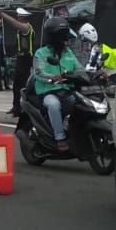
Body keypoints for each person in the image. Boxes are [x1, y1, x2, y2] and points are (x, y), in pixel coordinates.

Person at [32, 16, 80, 151]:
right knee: (54, 105)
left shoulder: (68, 53)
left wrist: (92, 74)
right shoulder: (41, 53)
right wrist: (52, 78)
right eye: (60, 35)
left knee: (81, 104)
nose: (63, 39)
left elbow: (79, 68)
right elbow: (38, 72)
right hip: (48, 92)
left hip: (67, 90)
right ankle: (60, 137)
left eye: (64, 35)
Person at [0, 6, 35, 116]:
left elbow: (13, 23)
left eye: (19, 17)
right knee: (16, 85)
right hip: (21, 58)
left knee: (23, 85)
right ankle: (16, 107)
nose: (17, 18)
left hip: (26, 59)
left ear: (23, 18)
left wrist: (2, 14)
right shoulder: (23, 28)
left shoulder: (26, 28)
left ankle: (25, 108)